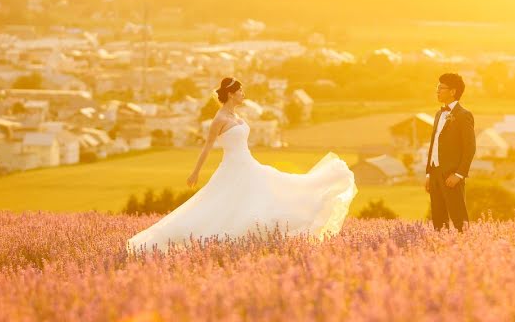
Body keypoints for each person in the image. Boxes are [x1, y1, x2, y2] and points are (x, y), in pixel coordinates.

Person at [127, 77, 357, 252]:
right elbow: (207, 146)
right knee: (216, 205)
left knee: (269, 192)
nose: (244, 94)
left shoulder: (238, 117)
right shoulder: (220, 119)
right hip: (232, 168)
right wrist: (195, 172)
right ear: (231, 94)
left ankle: (253, 239)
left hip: (247, 164)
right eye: (240, 91)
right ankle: (180, 241)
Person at [424, 73, 476, 231]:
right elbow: (434, 144)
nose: (437, 91)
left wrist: (459, 174)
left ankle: (466, 248)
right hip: (434, 173)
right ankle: (441, 248)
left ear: (453, 91)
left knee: (459, 218)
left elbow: (470, 148)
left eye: (441, 88)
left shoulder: (463, 115)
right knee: (438, 220)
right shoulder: (439, 114)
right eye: (437, 88)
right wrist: (429, 173)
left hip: (451, 175)